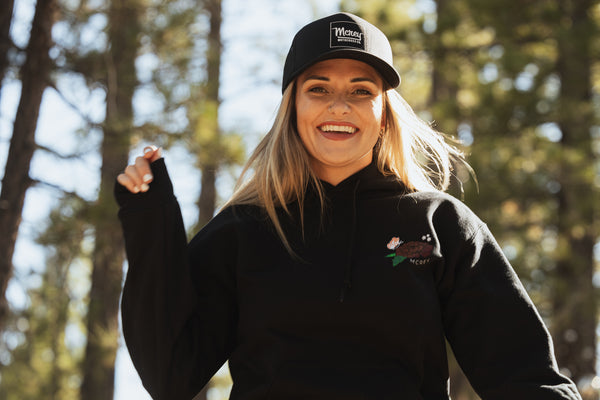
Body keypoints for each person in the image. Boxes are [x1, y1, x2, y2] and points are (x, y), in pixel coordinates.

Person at [115, 12, 582, 400]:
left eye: (362, 90)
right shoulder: (247, 228)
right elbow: (171, 375)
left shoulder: (440, 224)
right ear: (293, 107)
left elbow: (526, 377)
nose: (340, 105)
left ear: (384, 113)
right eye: (318, 88)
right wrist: (150, 222)